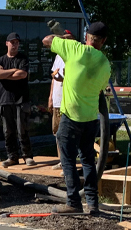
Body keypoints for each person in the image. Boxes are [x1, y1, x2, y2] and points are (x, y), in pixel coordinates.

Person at [42, 22, 111, 215]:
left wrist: (63, 41)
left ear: (86, 36)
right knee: (88, 161)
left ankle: (73, 202)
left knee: (68, 160)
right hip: (90, 118)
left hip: (71, 117)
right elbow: (96, 88)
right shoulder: (105, 63)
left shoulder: (73, 48)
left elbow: (46, 40)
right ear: (103, 41)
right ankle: (92, 203)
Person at [0, 32, 35, 167]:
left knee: (22, 129)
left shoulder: (23, 59)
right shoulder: (0, 60)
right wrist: (13, 71)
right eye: (12, 42)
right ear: (7, 43)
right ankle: (12, 156)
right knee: (8, 131)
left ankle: (27, 156)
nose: (15, 45)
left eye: (17, 42)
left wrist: (5, 73)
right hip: (5, 100)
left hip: (21, 100)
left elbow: (22, 74)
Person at [47, 30, 72, 170]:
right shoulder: (58, 56)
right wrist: (50, 97)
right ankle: (62, 161)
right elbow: (53, 78)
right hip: (56, 100)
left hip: (66, 100)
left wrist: (58, 77)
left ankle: (68, 162)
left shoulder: (72, 56)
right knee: (57, 132)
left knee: (65, 133)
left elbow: (68, 78)